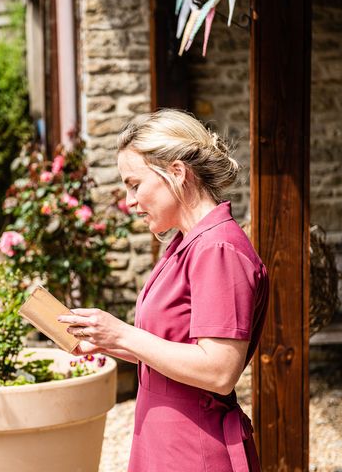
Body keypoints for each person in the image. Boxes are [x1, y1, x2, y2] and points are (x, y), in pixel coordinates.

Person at [59, 109, 268, 471]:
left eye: (134, 184)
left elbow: (219, 371)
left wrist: (123, 334)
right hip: (163, 439)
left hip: (193, 448)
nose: (129, 201)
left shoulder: (218, 249)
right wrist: (108, 341)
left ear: (177, 172)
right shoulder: (185, 243)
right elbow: (174, 352)